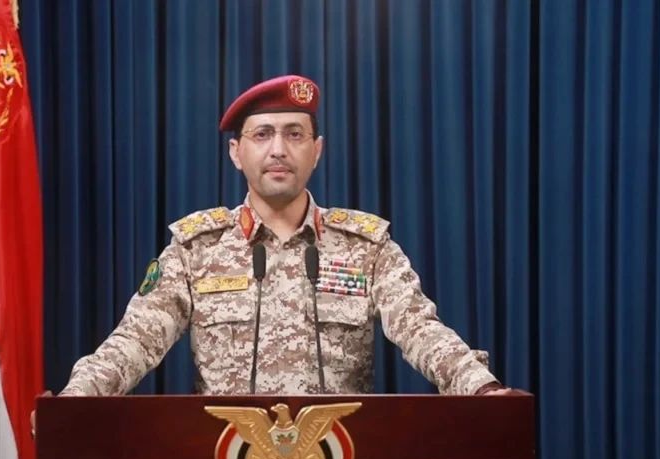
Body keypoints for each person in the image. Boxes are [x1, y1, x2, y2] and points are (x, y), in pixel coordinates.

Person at [46, 74, 518, 415]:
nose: (278, 149)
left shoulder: (366, 247)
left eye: (295, 134)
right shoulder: (196, 249)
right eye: (262, 134)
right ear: (236, 153)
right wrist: (77, 398)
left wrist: (480, 388)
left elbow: (421, 330)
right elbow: (136, 340)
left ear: (317, 150)